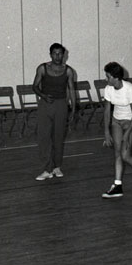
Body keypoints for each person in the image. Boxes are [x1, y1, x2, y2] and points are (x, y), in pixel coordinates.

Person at [101, 62, 132, 198]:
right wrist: (106, 132)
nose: (106, 79)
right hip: (116, 121)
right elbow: (107, 112)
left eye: (108, 76)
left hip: (131, 122)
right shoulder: (108, 89)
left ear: (116, 78)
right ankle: (117, 186)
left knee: (125, 156)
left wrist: (127, 134)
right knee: (117, 154)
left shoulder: (130, 89)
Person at [32, 43, 75, 181]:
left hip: (61, 105)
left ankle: (57, 167)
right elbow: (34, 86)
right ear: (50, 54)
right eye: (55, 53)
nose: (57, 56)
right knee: (44, 137)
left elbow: (71, 90)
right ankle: (47, 169)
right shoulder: (42, 68)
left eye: (60, 53)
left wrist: (74, 109)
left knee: (58, 137)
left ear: (64, 55)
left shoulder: (68, 71)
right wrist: (43, 96)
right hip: (45, 105)